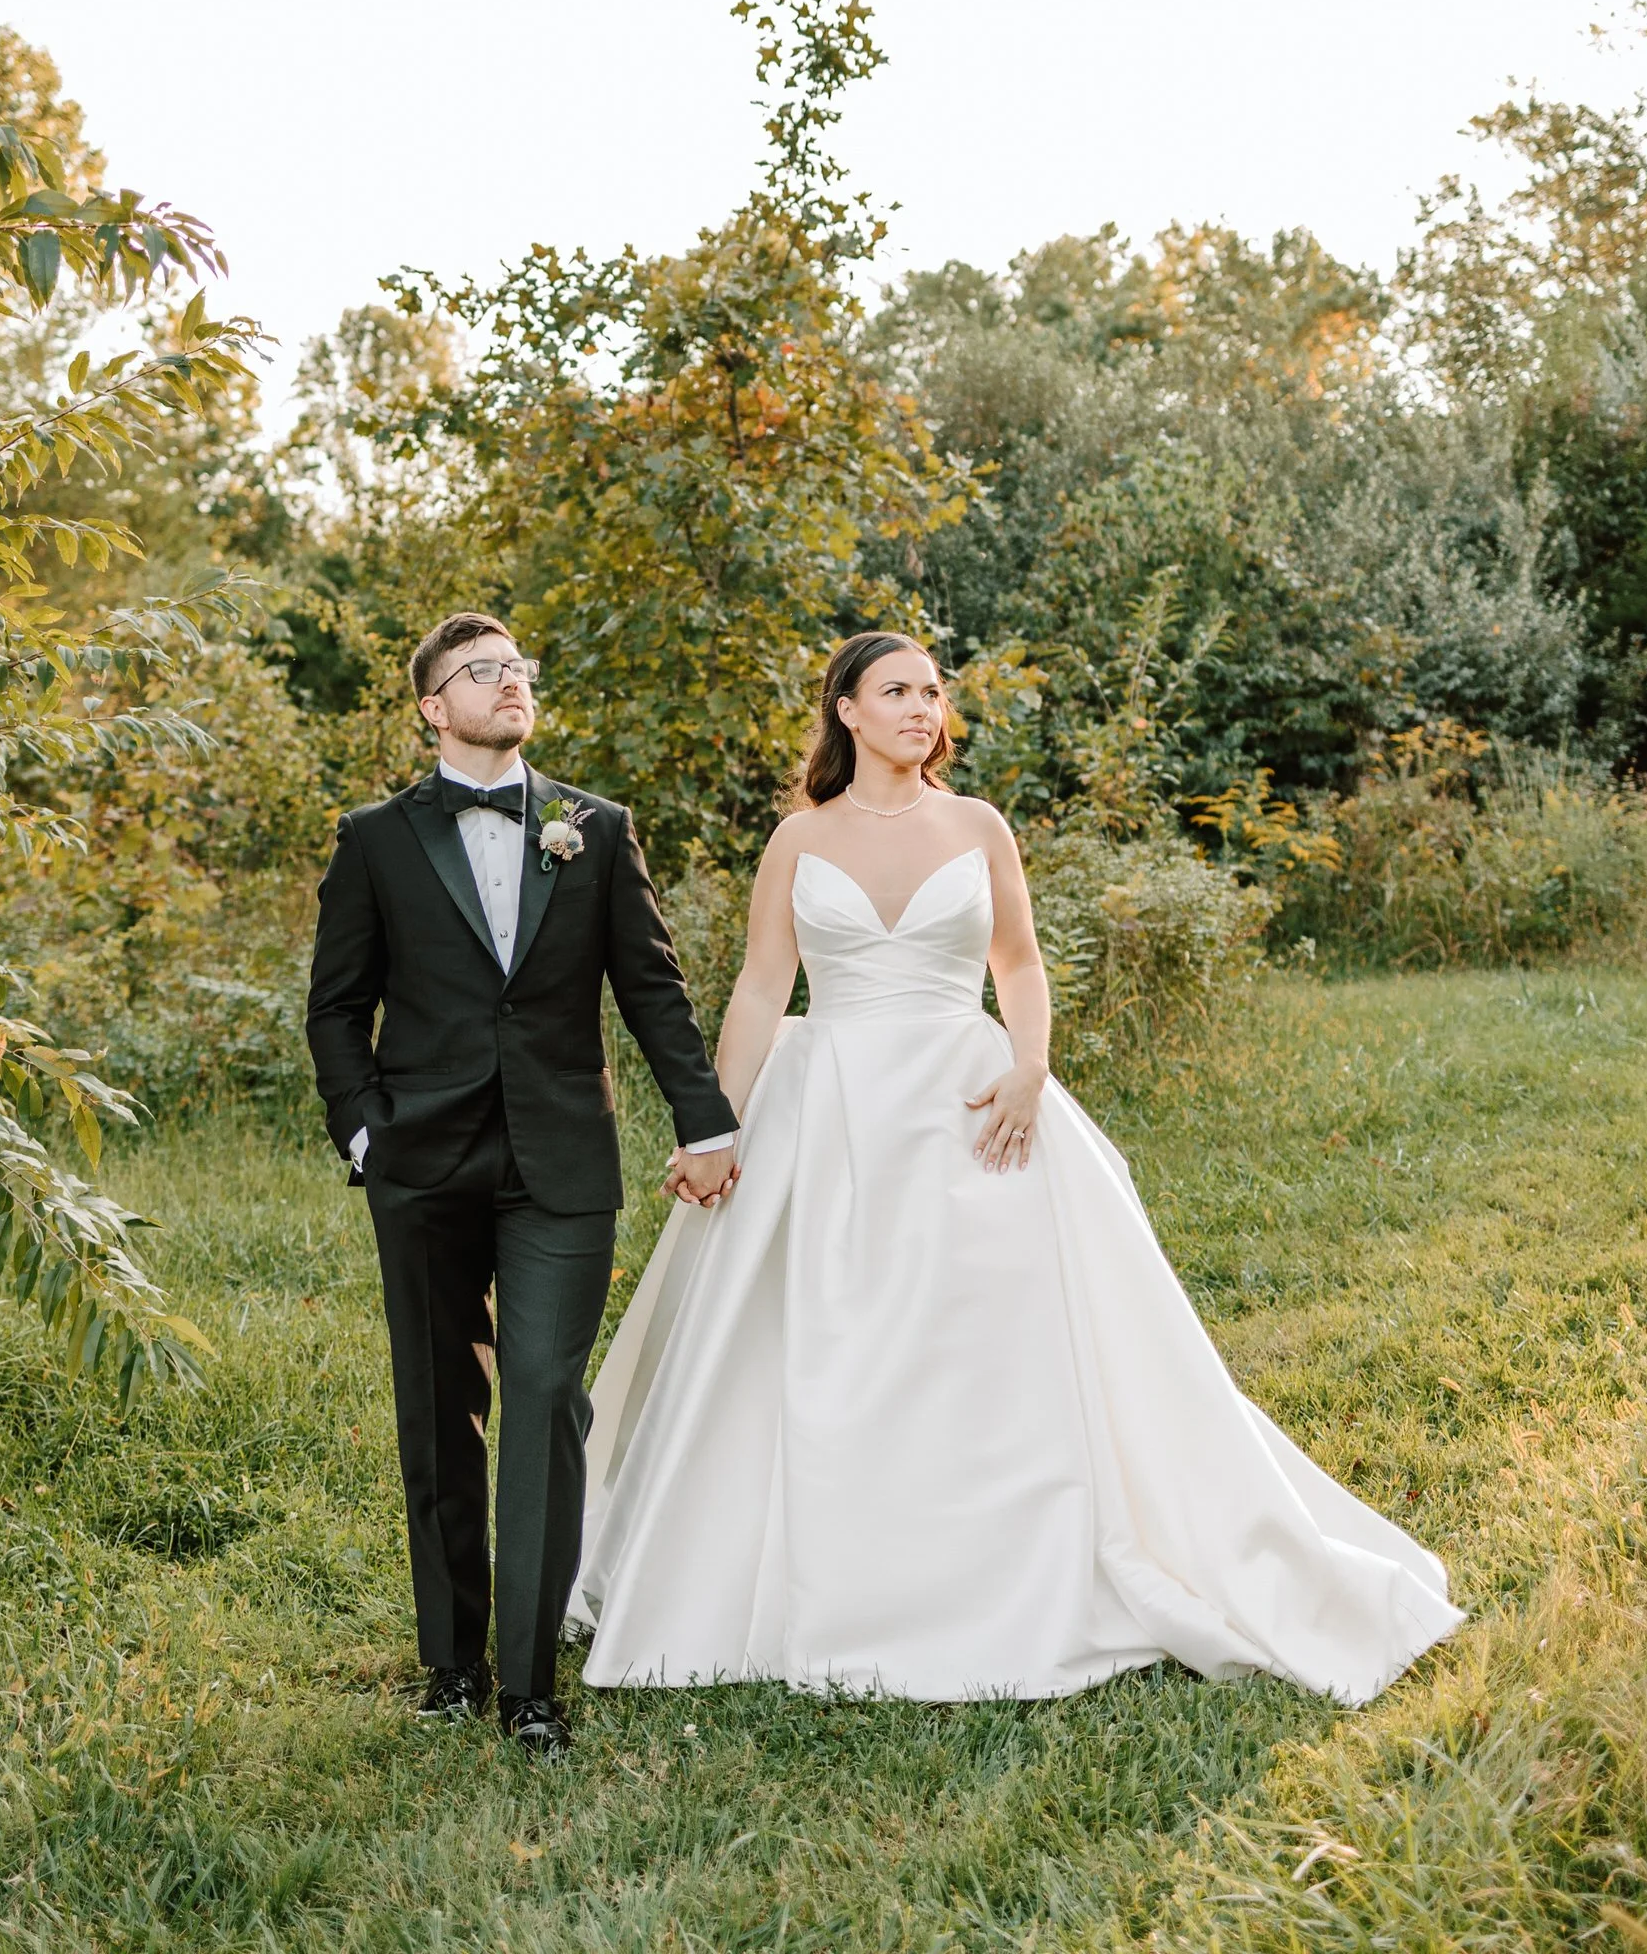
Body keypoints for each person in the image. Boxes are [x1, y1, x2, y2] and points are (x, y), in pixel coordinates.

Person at [572, 630, 1462, 1704]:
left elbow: (1020, 961)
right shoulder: (799, 839)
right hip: (832, 1103)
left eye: (933, 691)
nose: (921, 707)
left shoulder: (977, 824)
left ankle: (1020, 1551)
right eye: (895, 691)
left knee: (996, 1327)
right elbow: (764, 988)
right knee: (812, 1331)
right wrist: (715, 1126)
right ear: (845, 712)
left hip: (969, 1095)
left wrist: (1032, 1066)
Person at [304, 612, 739, 1756]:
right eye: (483, 672)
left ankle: (530, 1684)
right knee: (443, 1402)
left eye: (519, 670)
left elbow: (653, 990)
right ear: (432, 707)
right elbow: (336, 1007)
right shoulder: (376, 840)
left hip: (561, 1160)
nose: (511, 683)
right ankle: (450, 1660)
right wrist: (361, 1132)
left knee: (546, 1394)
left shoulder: (595, 829)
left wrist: (707, 1122)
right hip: (422, 1161)